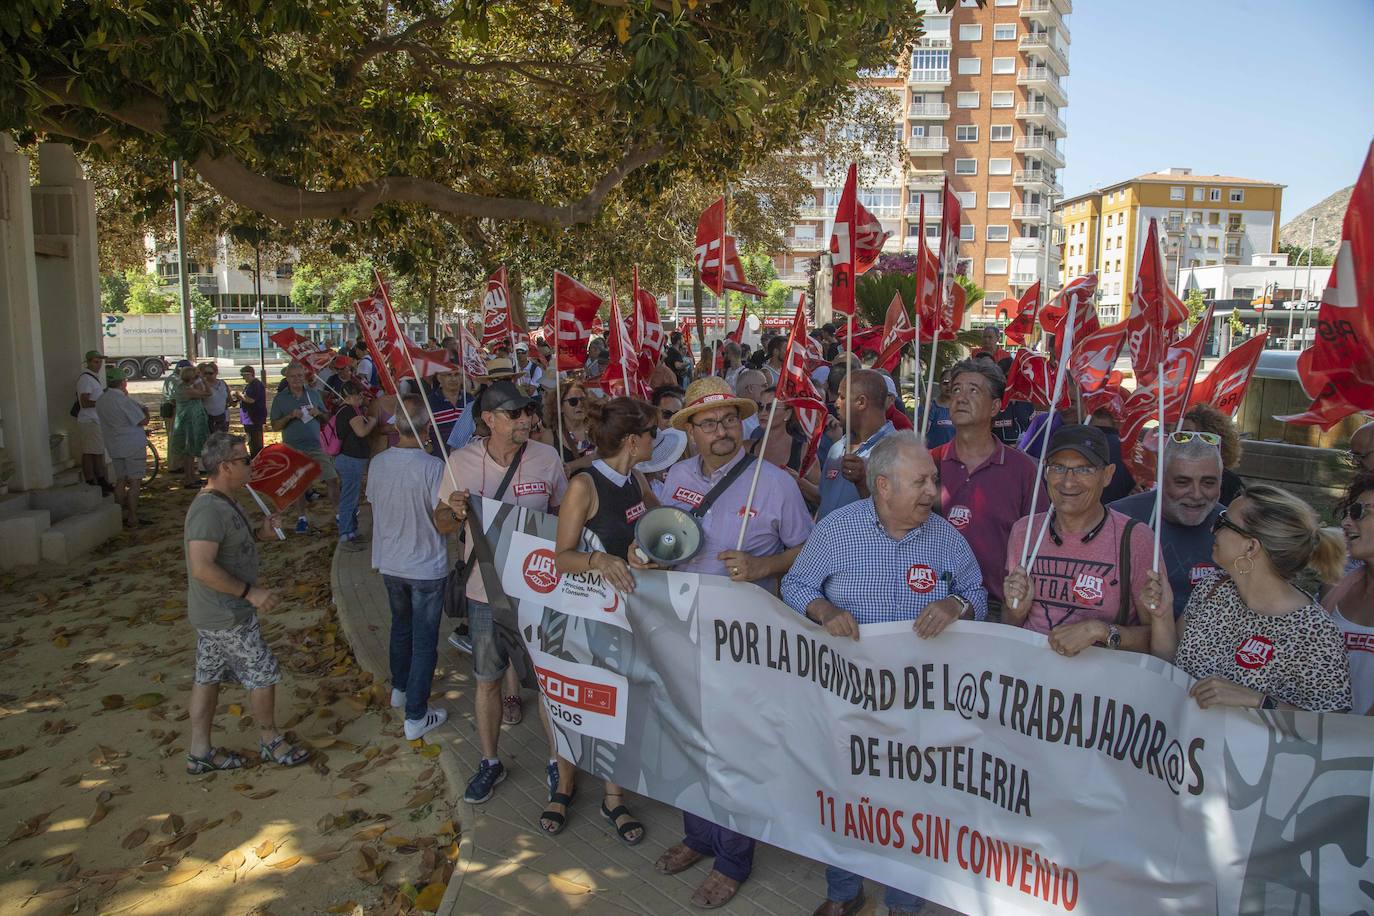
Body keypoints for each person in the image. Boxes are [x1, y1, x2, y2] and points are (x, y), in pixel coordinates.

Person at [782, 431, 986, 916]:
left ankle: (903, 901)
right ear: (883, 486)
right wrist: (824, 609)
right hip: (848, 697)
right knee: (845, 795)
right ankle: (844, 892)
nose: (932, 493)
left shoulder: (946, 538)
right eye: (920, 482)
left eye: (933, 481)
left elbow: (978, 592)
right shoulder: (837, 530)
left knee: (913, 803)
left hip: (920, 704)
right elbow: (795, 584)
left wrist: (955, 603)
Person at [639, 376, 813, 910]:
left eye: (730, 420)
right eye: (709, 422)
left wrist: (765, 564)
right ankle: (699, 836)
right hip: (682, 630)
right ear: (690, 430)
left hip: (743, 642)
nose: (722, 431)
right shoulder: (676, 478)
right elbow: (666, 538)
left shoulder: (775, 482)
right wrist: (647, 554)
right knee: (689, 738)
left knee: (734, 749)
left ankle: (733, 860)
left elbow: (808, 551)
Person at [434, 380, 568, 805]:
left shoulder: (547, 458)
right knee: (487, 680)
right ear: (488, 420)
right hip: (483, 593)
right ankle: (490, 761)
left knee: (549, 684)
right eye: (515, 413)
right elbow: (440, 522)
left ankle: (557, 763)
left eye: (529, 411)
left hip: (540, 593)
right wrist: (452, 511)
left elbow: (566, 515)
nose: (527, 419)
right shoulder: (460, 462)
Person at [543, 397, 655, 844]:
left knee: (615, 701)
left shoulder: (636, 480)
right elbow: (561, 557)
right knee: (572, 699)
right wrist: (599, 559)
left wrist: (642, 553)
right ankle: (564, 786)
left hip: (622, 614)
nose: (656, 440)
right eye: (652, 433)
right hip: (578, 616)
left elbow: (654, 526)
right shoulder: (583, 485)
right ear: (632, 441)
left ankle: (614, 795)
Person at [1147, 485, 1352, 712]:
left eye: (1223, 522)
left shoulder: (1313, 631)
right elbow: (1170, 663)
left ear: (1251, 546)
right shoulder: (1213, 589)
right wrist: (1162, 615)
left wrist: (1259, 701)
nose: (1213, 529)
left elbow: (1332, 726)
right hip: (1190, 743)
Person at [183, 432, 308, 775]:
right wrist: (248, 593)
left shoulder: (227, 500)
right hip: (226, 613)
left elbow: (231, 543)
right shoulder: (208, 509)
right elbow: (202, 567)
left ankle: (200, 750)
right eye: (244, 460)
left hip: (217, 613)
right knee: (263, 672)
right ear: (225, 467)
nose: (251, 465)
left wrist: (261, 533)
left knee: (207, 676)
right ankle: (270, 740)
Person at [1003, 425, 1166, 657]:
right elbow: (1009, 625)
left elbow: (1158, 638)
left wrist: (1100, 631)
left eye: (1084, 470)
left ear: (1108, 474)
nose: (1068, 482)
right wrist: (1016, 609)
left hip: (1099, 686)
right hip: (1032, 682)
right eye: (1058, 468)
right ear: (1045, 472)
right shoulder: (1024, 531)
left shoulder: (1135, 538)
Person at [365, 393, 453, 738]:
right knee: (423, 640)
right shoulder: (433, 467)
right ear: (426, 427)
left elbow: (374, 502)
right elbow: (443, 518)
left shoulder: (379, 463)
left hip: (391, 562)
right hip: (425, 566)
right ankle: (416, 715)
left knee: (401, 627)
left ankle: (400, 690)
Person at [932, 359, 1044, 619]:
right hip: (933, 606)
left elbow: (1039, 542)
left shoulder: (1022, 469)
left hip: (997, 609)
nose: (961, 398)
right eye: (956, 389)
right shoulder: (929, 463)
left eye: (973, 391)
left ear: (995, 407)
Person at [1110, 433, 1223, 617]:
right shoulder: (1117, 520)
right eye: (1182, 482)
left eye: (1208, 483)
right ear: (1160, 478)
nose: (1196, 494)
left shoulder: (1234, 528)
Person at [269, 362, 339, 533]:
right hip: (293, 448)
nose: (297, 379)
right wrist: (290, 417)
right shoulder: (280, 398)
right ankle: (302, 518)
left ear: (304, 376)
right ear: (287, 378)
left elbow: (327, 417)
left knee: (332, 478)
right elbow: (275, 426)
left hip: (316, 445)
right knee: (298, 485)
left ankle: (338, 515)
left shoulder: (313, 394)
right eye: (293, 376)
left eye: (300, 376)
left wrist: (319, 413)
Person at [817, 369, 895, 519]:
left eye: (842, 397)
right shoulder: (837, 448)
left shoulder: (899, 451)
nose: (836, 404)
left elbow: (896, 516)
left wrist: (862, 483)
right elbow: (823, 501)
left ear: (861, 402)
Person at [1326, 472, 1374, 715]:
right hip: (1329, 744)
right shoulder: (1340, 588)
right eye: (1347, 513)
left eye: (1358, 512)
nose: (1345, 523)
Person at [95, 367, 150, 528]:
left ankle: (119, 515)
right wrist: (145, 412)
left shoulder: (101, 400)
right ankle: (133, 517)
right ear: (122, 383)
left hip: (114, 444)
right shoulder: (123, 401)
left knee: (120, 479)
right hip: (132, 444)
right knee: (134, 482)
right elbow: (142, 421)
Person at [751, 384, 822, 506]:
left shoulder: (803, 451)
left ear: (787, 414)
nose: (763, 412)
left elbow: (820, 497)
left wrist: (798, 482)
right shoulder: (747, 448)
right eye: (760, 407)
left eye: (770, 407)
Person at [334, 381, 377, 551]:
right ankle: (345, 535)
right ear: (350, 396)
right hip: (350, 459)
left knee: (351, 496)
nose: (361, 398)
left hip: (351, 459)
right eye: (359, 395)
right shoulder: (349, 411)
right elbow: (362, 432)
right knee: (349, 498)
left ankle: (351, 531)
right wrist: (372, 421)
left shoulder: (347, 411)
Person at [1182, 403, 1246, 505]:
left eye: (1187, 435)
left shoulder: (1228, 481)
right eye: (1179, 436)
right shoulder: (1173, 473)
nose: (1180, 440)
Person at [75, 349, 112, 495]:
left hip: (95, 420)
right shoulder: (85, 379)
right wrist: (101, 402)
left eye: (100, 362)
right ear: (89, 362)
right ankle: (92, 480)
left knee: (96, 451)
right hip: (89, 420)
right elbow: (85, 402)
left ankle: (100, 479)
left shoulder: (93, 378)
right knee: (91, 452)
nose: (99, 365)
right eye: (96, 362)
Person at [171, 364, 211, 487]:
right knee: (189, 451)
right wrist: (202, 379)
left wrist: (198, 379)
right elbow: (208, 393)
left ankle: (192, 477)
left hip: (189, 421)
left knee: (190, 451)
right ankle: (189, 478)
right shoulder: (187, 390)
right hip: (189, 422)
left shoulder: (182, 386)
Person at [538, 380, 594, 464]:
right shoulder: (550, 437)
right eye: (573, 401)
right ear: (560, 407)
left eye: (583, 400)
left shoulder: (597, 428)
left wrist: (572, 466)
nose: (580, 404)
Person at [922, 368, 956, 450]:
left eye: (952, 383)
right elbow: (921, 431)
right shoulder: (932, 406)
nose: (948, 386)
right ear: (940, 384)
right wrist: (925, 412)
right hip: (933, 455)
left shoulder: (960, 407)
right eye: (945, 383)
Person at [238, 365, 268, 457]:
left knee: (255, 442)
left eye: (244, 375)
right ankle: (254, 456)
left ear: (250, 374)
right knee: (251, 441)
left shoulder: (256, 385)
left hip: (254, 418)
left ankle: (257, 458)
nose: (243, 378)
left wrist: (238, 394)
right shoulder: (250, 385)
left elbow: (251, 400)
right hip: (248, 418)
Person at [733, 368, 767, 439]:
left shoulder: (758, 410)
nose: (767, 390)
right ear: (750, 388)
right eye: (764, 386)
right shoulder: (735, 415)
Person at [201, 362, 230, 433]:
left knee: (222, 439)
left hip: (222, 416)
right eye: (205, 373)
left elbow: (228, 399)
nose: (208, 376)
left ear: (216, 373)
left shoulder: (222, 383)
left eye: (210, 373)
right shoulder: (202, 385)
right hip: (208, 417)